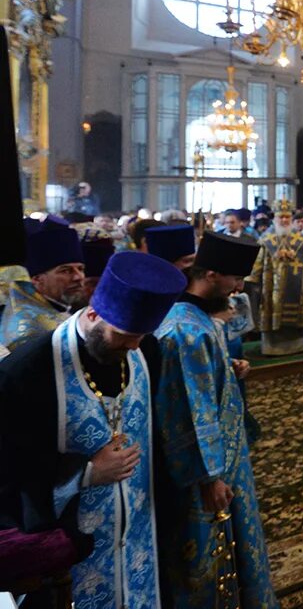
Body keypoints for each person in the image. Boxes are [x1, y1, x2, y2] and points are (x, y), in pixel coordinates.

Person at [0, 251, 186, 609]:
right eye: (124, 335)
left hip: (140, 541)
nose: (133, 346)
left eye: (141, 335)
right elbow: (9, 474)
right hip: (72, 555)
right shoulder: (25, 374)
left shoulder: (145, 349)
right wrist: (84, 473)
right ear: (93, 313)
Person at [152, 231, 277, 608]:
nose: (238, 288)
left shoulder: (193, 316)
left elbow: (203, 383)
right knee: (210, 549)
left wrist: (228, 368)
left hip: (223, 454)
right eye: (235, 279)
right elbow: (189, 410)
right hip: (206, 468)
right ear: (210, 276)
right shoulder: (186, 332)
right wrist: (210, 477)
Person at [246, 199, 303, 356]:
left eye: (287, 217)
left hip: (296, 288)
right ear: (275, 218)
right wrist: (252, 277)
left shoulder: (301, 240)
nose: (284, 220)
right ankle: (273, 347)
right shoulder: (265, 240)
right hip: (271, 289)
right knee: (273, 314)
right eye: (281, 217)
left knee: (296, 316)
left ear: (291, 219)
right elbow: (257, 263)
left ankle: (299, 345)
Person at [0, 216, 85, 353]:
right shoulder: (29, 333)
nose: (78, 277)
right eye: (65, 270)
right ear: (37, 279)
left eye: (80, 269)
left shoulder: (57, 304)